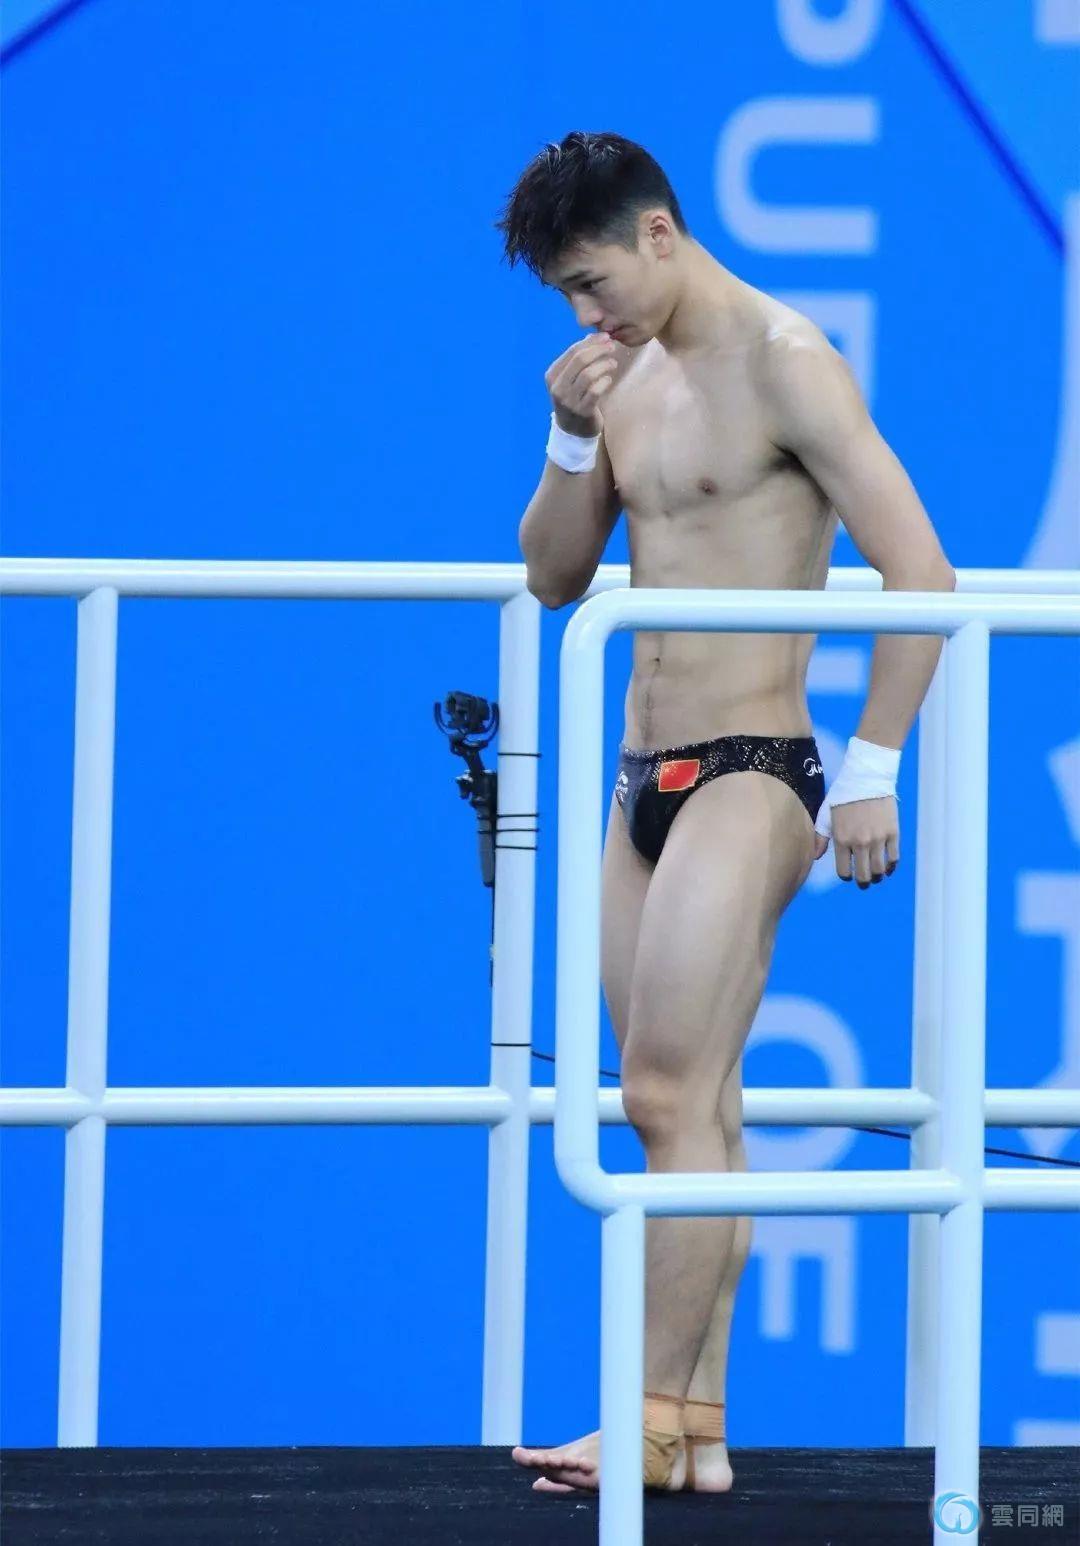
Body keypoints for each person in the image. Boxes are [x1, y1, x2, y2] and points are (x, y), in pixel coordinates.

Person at [495, 130, 956, 1495]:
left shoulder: (787, 359)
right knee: (690, 1108)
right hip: (641, 781)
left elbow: (922, 571)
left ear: (658, 233)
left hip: (753, 767)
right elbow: (554, 579)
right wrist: (569, 434)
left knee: (661, 1091)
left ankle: (639, 1417)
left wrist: (872, 766)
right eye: (566, 298)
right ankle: (695, 1429)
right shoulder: (618, 378)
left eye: (592, 282)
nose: (588, 316)